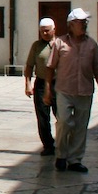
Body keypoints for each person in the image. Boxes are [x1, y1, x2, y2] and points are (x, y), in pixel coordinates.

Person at [47, 7, 98, 173]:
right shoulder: (60, 43)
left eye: (85, 22)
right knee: (64, 122)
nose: (84, 25)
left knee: (81, 126)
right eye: (81, 22)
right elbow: (50, 67)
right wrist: (47, 90)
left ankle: (75, 159)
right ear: (71, 25)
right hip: (64, 90)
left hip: (85, 90)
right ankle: (61, 155)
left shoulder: (91, 44)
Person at [23, 17, 58, 156]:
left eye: (47, 31)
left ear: (54, 30)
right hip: (42, 84)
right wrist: (27, 83)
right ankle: (48, 145)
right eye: (42, 31)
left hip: (58, 84)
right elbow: (29, 65)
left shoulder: (59, 44)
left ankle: (63, 142)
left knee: (61, 115)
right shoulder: (36, 46)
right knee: (43, 116)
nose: (44, 34)